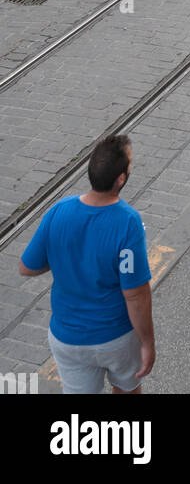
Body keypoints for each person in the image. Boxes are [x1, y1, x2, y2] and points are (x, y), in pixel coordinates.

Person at [19, 134, 154, 394]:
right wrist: (147, 342)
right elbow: (136, 294)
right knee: (127, 390)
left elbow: (27, 266)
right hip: (116, 337)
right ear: (121, 179)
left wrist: (66, 256)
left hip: (68, 339)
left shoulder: (59, 211)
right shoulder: (127, 222)